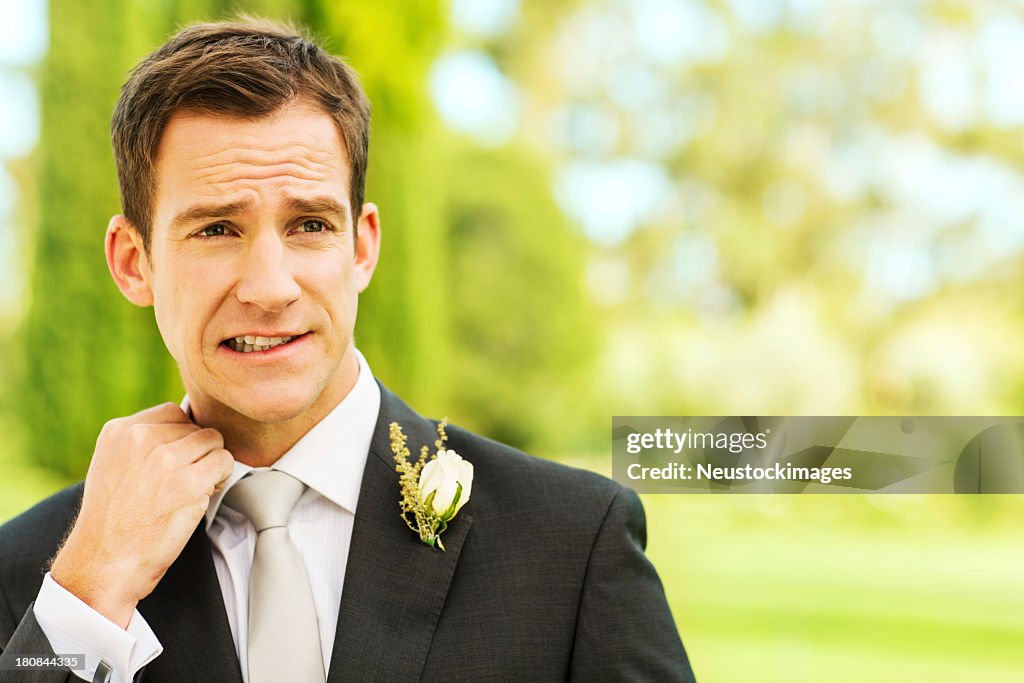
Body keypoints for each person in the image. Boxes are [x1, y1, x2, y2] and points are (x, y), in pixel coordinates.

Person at [0, 18, 695, 683]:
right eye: (215, 229)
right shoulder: (35, 570)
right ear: (133, 262)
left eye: (309, 224)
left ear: (361, 247)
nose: (270, 287)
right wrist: (88, 594)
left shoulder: (572, 544)